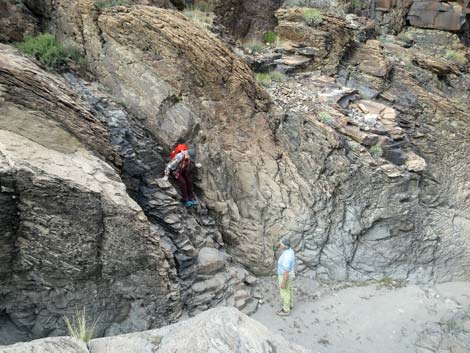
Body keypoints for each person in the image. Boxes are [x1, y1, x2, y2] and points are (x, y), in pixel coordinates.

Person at [277, 238, 295, 316]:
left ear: (284, 246)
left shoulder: (287, 257)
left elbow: (286, 271)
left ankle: (285, 310)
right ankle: (290, 305)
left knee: (285, 292)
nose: (279, 245)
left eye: (281, 244)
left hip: (285, 275)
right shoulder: (290, 251)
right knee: (289, 290)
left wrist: (283, 282)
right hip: (290, 274)